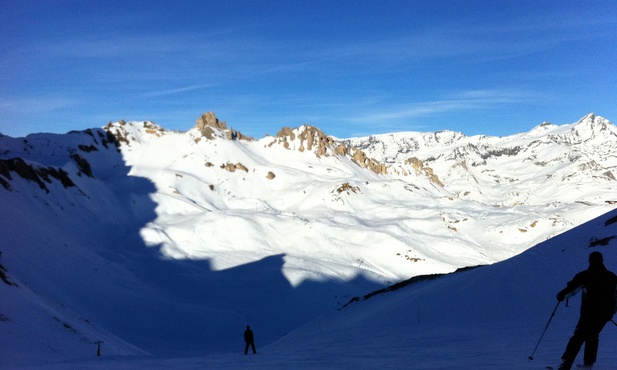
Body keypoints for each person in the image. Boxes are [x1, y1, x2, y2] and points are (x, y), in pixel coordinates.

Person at [556, 251, 617, 370]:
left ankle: (566, 363)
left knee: (578, 336)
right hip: (604, 314)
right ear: (602, 260)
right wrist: (612, 312)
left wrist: (561, 296)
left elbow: (572, 290)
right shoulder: (612, 277)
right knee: (593, 336)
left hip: (588, 313)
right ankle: (588, 365)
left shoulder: (585, 275)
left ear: (590, 261)